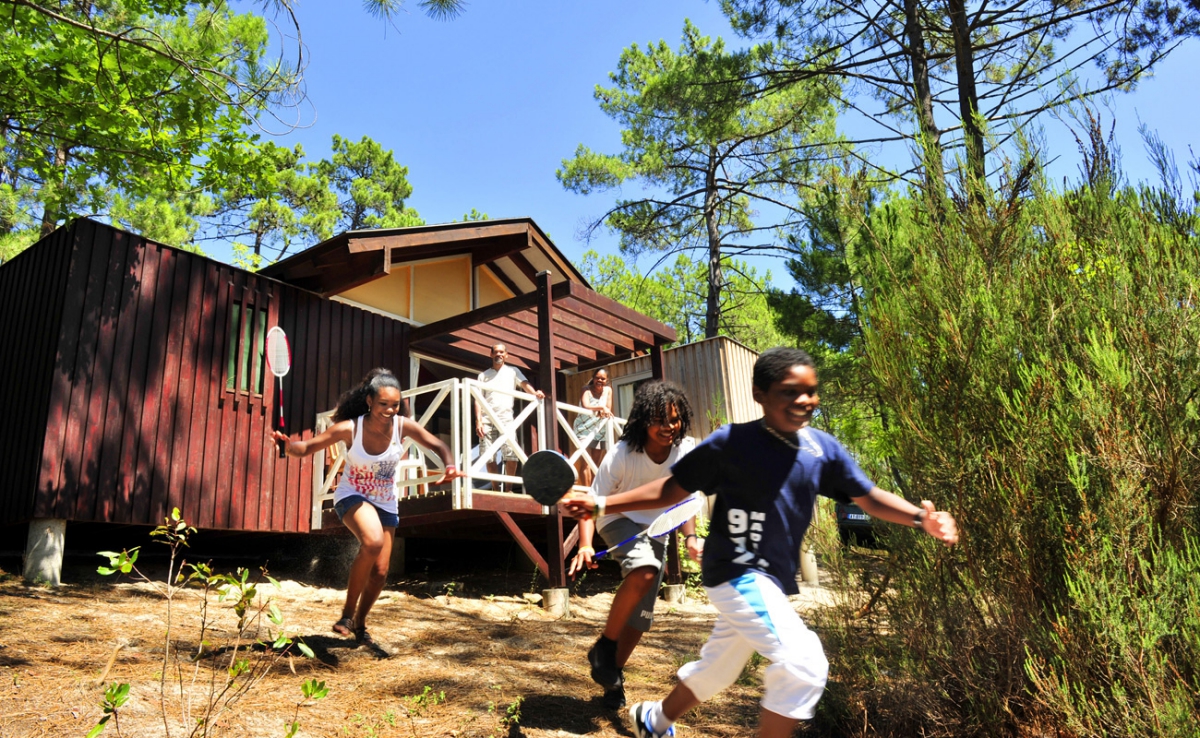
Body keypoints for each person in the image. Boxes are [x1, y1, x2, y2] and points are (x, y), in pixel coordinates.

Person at [562, 348, 959, 738]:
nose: (804, 400)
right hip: (735, 572)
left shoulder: (822, 450)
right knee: (804, 662)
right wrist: (601, 504)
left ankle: (654, 720)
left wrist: (920, 517)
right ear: (760, 395)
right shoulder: (731, 444)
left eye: (811, 391)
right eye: (789, 391)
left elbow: (867, 496)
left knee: (718, 668)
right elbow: (671, 489)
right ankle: (620, 665)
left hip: (770, 580)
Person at [271, 368, 464, 649]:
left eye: (395, 405)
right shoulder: (350, 428)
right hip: (352, 496)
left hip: (386, 502)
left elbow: (438, 444)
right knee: (372, 542)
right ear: (370, 402)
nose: (389, 410)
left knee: (381, 572)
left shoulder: (403, 426)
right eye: (383, 403)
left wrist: (449, 466)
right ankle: (347, 615)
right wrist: (289, 447)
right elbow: (307, 448)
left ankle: (360, 624)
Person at [568, 381, 704, 711]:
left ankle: (611, 676)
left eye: (674, 419)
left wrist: (689, 537)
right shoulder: (622, 454)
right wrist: (585, 545)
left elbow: (685, 500)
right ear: (644, 420)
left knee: (641, 619)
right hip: (616, 519)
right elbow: (591, 503)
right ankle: (604, 646)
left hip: (657, 530)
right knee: (645, 568)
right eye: (660, 420)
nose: (668, 427)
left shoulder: (685, 450)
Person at [475, 343, 544, 488]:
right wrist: (478, 421)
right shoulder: (483, 375)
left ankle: (508, 489)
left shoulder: (513, 371)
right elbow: (478, 399)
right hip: (487, 420)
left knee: (512, 454)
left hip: (507, 420)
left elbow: (525, 384)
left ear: (506, 355)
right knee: (489, 457)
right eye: (496, 352)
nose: (499, 354)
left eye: (502, 352)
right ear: (491, 354)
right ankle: (495, 488)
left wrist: (535, 393)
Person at [572, 368, 614, 487]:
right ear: (593, 378)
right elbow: (586, 405)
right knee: (585, 462)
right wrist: (602, 408)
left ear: (607, 380)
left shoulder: (608, 390)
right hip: (583, 429)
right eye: (597, 378)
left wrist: (604, 409)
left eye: (603, 378)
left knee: (595, 464)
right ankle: (587, 492)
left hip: (599, 429)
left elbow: (608, 408)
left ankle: (594, 490)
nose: (599, 380)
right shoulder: (586, 389)